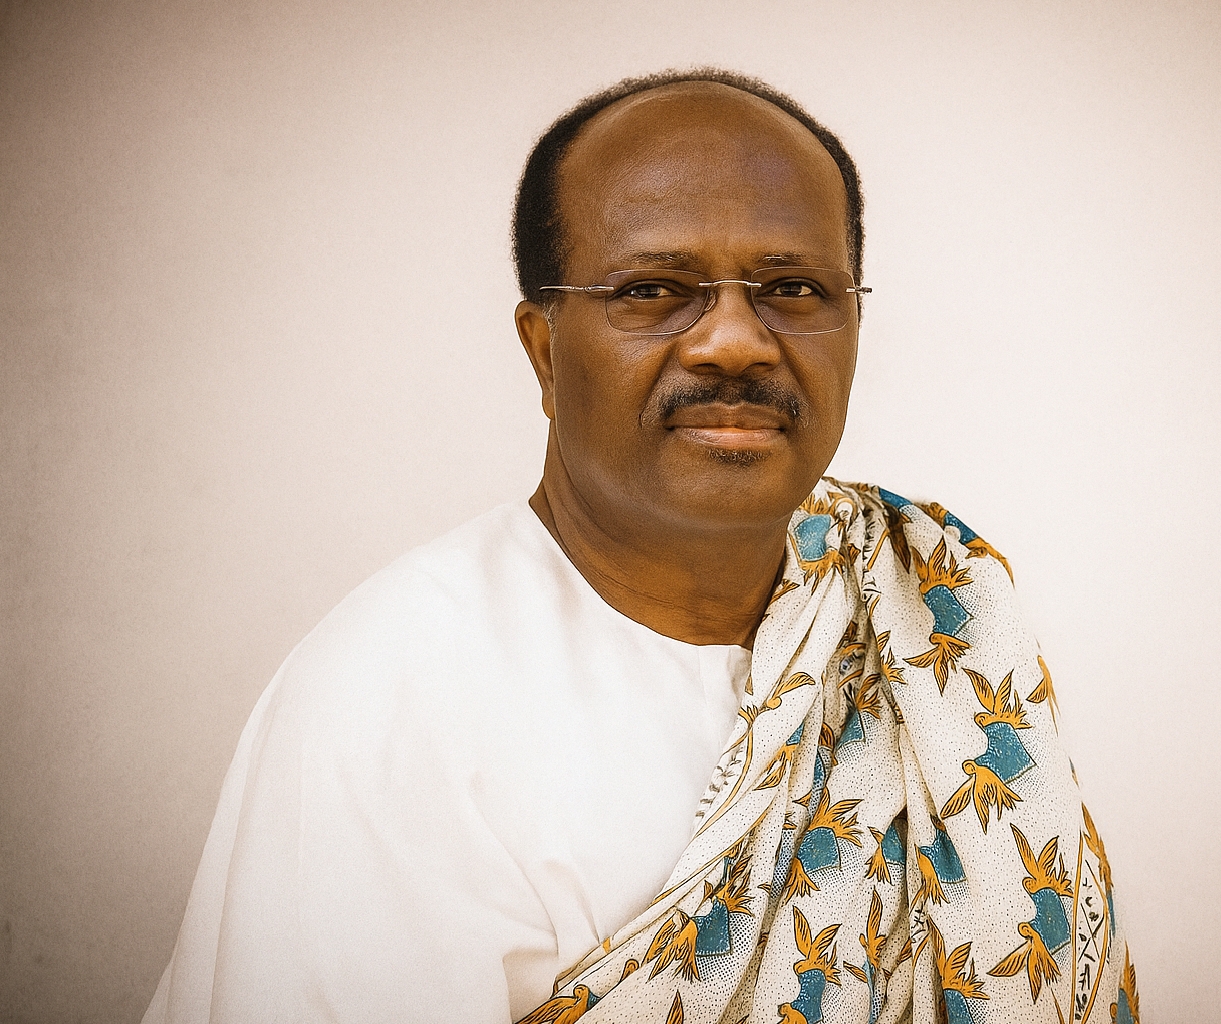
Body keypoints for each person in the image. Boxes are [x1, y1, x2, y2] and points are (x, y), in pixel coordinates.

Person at [143, 69, 1140, 1024]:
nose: (735, 341)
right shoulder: (394, 699)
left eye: (794, 289)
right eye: (656, 289)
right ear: (544, 350)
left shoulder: (933, 616)